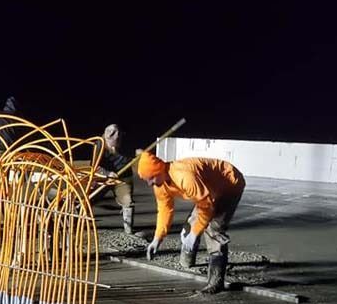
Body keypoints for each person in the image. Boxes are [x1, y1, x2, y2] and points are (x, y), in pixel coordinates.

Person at [137, 151, 246, 294]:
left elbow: (206, 206)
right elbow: (165, 210)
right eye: (146, 180)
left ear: (159, 171)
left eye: (151, 178)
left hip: (229, 183)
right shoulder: (159, 184)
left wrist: (195, 233)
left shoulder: (184, 177)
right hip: (207, 190)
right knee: (189, 227)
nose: (149, 183)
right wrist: (157, 239)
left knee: (213, 230)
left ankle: (216, 281)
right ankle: (187, 264)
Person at [92, 124, 136, 234]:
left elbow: (136, 155)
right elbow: (94, 166)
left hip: (122, 178)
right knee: (88, 198)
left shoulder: (126, 143)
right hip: (104, 178)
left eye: (118, 140)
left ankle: (128, 231)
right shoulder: (99, 144)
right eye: (113, 141)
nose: (114, 146)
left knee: (128, 202)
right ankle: (80, 222)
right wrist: (107, 173)